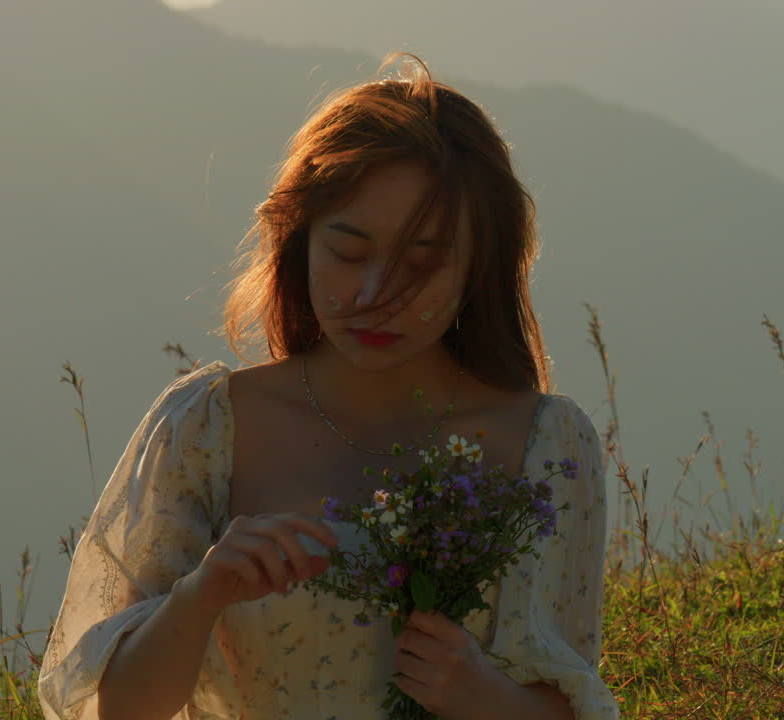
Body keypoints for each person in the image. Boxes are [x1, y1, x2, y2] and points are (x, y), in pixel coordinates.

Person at [37, 53, 619, 720]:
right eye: (347, 253)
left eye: (422, 264)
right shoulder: (208, 428)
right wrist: (198, 597)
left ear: (477, 270)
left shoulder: (546, 448)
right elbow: (120, 710)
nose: (376, 295)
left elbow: (568, 697)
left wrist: (482, 695)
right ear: (298, 241)